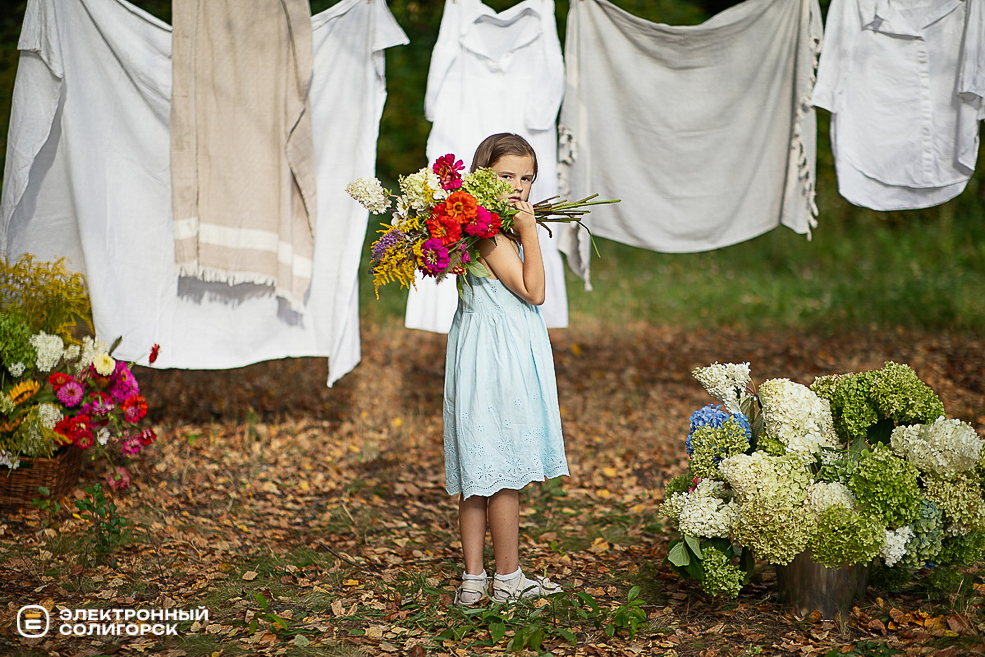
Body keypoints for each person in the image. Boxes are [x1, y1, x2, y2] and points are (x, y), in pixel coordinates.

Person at [443, 133, 569, 606]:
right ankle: (507, 578)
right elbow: (533, 291)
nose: (519, 188)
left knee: (479, 469)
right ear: (481, 176)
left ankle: (474, 580)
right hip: (499, 357)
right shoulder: (489, 233)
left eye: (527, 179)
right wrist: (530, 231)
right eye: (506, 177)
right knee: (501, 472)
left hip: (478, 347)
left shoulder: (473, 227)